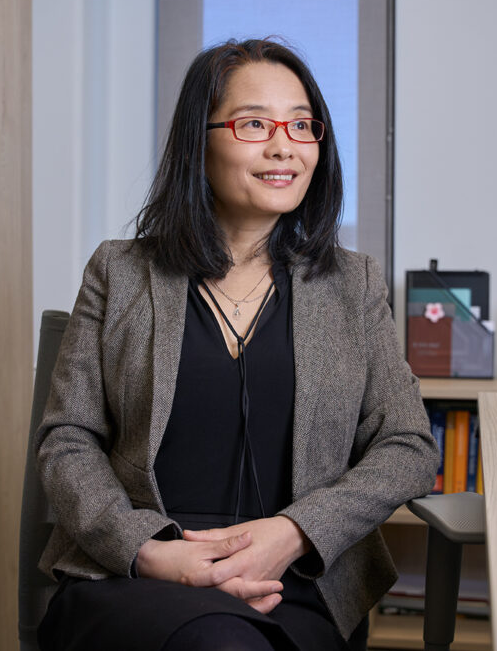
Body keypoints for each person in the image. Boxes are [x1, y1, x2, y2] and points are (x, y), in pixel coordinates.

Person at [35, 38, 440, 651]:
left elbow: (408, 446)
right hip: (134, 576)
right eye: (254, 124)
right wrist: (148, 550)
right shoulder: (120, 272)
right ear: (198, 144)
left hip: (295, 580)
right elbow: (68, 439)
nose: (284, 145)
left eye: (301, 125)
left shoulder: (351, 284)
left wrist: (294, 532)